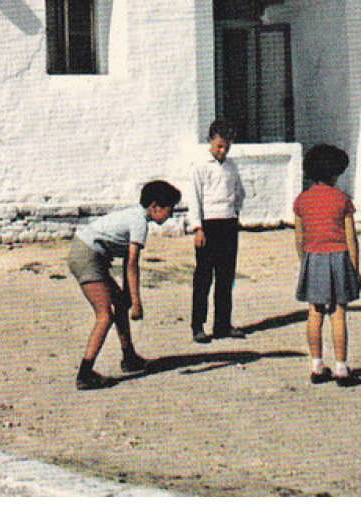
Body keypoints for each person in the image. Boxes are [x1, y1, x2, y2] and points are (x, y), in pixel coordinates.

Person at [67, 179, 182, 390]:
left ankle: (129, 358)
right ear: (155, 206)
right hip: (87, 255)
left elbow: (126, 263)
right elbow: (131, 265)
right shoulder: (139, 223)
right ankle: (85, 374)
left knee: (120, 302)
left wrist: (128, 298)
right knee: (105, 315)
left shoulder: (135, 215)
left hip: (89, 253)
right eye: (169, 209)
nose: (171, 215)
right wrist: (137, 304)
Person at [293, 143, 360, 387]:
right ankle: (342, 367)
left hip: (314, 257)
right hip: (339, 257)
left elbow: (299, 237)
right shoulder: (342, 200)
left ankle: (316, 365)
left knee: (315, 312)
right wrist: (355, 268)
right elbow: (351, 238)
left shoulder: (301, 201)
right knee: (338, 313)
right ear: (335, 172)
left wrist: (305, 262)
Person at [189, 119, 245, 343]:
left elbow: (239, 192)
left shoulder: (231, 166)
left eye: (227, 147)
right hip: (208, 225)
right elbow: (195, 198)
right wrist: (198, 227)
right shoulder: (200, 166)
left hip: (228, 224)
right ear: (210, 141)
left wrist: (234, 213)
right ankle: (198, 326)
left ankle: (222, 324)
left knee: (226, 276)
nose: (222, 151)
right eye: (219, 146)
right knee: (204, 276)